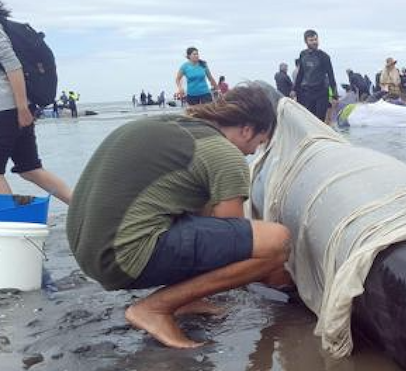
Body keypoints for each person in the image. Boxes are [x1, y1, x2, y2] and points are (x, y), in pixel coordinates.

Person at [66, 84, 292, 349]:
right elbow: (235, 243)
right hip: (123, 257)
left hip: (89, 251)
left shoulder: (177, 126)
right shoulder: (225, 153)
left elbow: (205, 224)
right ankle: (154, 309)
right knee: (277, 241)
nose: (254, 152)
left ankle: (187, 301)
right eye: (259, 142)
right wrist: (278, 275)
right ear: (247, 129)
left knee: (201, 212)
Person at [0, 3, 72, 204]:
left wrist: (22, 108)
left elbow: (13, 66)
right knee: (30, 168)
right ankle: (86, 211)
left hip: (7, 109)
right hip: (17, 108)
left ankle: (8, 227)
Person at [292, 29, 338, 122]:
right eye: (311, 40)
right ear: (306, 41)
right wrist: (294, 90)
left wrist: (334, 96)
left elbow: (331, 76)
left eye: (316, 39)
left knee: (319, 120)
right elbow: (301, 74)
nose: (314, 42)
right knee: (309, 120)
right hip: (308, 93)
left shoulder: (324, 56)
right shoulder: (303, 54)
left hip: (321, 92)